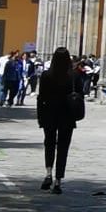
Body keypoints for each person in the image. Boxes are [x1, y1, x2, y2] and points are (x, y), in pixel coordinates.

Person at [36, 47, 81, 194]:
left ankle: (48, 173)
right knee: (63, 148)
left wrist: (40, 117)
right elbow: (80, 95)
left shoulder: (46, 75)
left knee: (49, 144)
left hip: (49, 114)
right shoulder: (74, 76)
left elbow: (40, 97)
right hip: (67, 116)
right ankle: (58, 181)